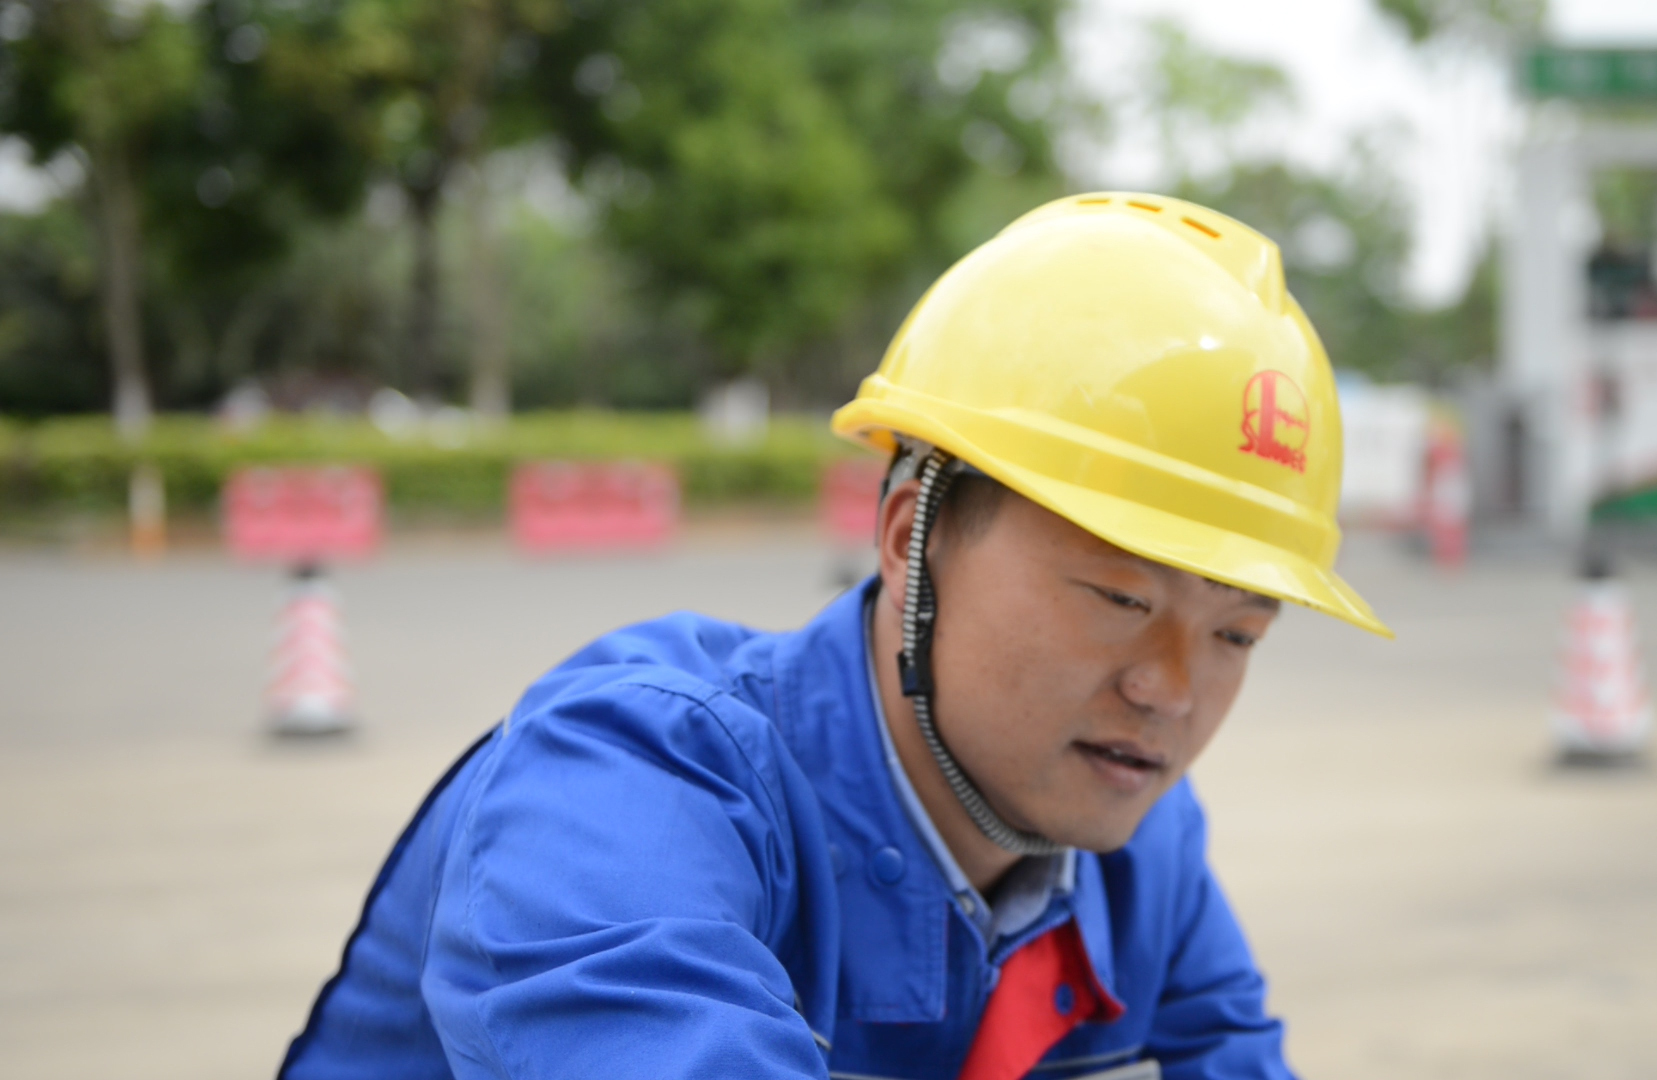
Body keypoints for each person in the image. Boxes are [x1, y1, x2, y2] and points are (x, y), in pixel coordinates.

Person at [278, 192, 1391, 1080]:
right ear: (913, 538)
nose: (1173, 691)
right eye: (1120, 600)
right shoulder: (625, 782)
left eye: (1239, 636)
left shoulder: (1143, 855)